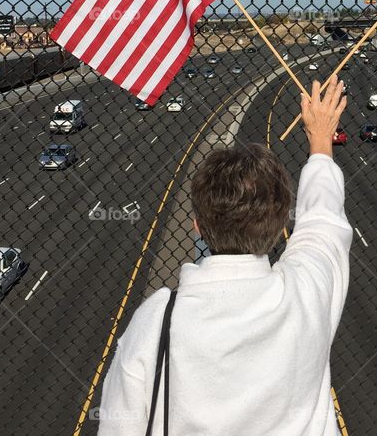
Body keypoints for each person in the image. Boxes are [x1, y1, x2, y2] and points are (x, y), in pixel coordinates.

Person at [97, 79, 351, 436]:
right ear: (282, 226)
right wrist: (321, 140)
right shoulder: (308, 291)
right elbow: (323, 220)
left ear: (197, 226)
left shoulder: (156, 323)